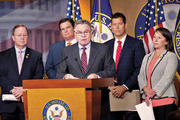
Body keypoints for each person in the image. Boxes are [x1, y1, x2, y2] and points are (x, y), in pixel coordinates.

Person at [105, 12, 145, 120]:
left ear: (125, 25)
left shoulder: (136, 44)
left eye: (120, 24)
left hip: (130, 91)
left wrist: (124, 87)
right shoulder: (105, 46)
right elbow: (102, 69)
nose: (117, 27)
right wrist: (109, 85)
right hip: (111, 92)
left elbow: (139, 69)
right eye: (114, 24)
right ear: (111, 27)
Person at [0, 24, 44, 120]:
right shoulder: (2, 56)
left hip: (27, 104)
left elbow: (38, 77)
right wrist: (13, 89)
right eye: (19, 35)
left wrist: (24, 89)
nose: (22, 38)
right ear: (13, 37)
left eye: (25, 35)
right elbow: (1, 77)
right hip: (7, 106)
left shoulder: (36, 56)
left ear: (28, 37)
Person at [138, 27, 178, 120]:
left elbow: (167, 78)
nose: (155, 40)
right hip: (147, 103)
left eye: (159, 38)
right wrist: (145, 88)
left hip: (165, 101)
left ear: (166, 41)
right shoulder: (146, 57)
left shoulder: (170, 56)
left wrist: (153, 92)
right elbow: (141, 76)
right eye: (154, 37)